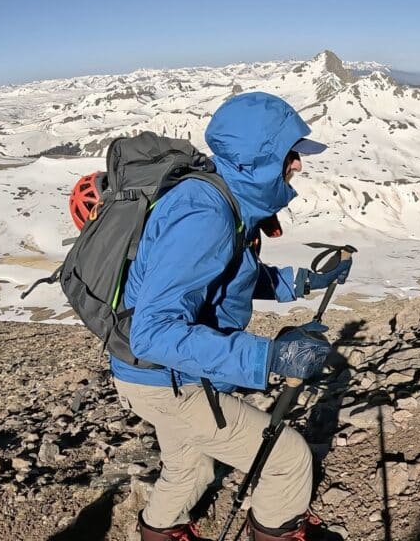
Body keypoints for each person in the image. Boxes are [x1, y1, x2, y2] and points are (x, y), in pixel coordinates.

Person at [112, 92, 352, 541]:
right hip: (167, 380)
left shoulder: (222, 197)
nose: (297, 165)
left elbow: (224, 276)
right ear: (259, 159)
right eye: (290, 154)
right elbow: (154, 332)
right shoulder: (206, 214)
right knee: (288, 460)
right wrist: (270, 357)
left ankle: (161, 534)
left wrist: (304, 282)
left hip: (156, 375)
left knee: (190, 468)